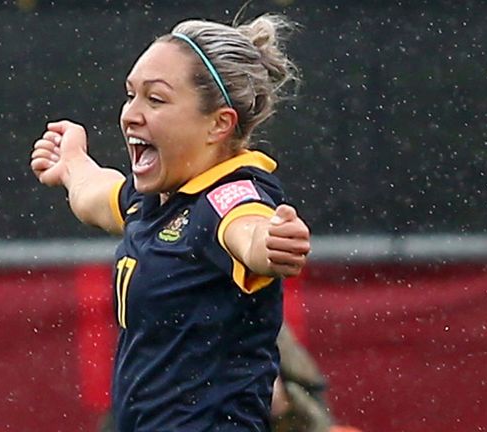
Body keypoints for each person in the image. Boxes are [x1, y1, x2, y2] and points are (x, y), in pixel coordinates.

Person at [30, 13, 311, 431]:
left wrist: (269, 242)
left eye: (155, 100)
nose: (131, 114)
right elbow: (99, 196)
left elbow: (246, 227)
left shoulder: (226, 196)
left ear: (219, 124)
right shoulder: (160, 199)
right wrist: (72, 166)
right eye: (130, 96)